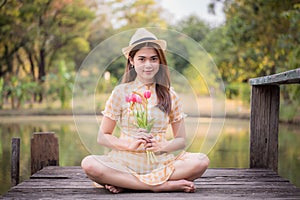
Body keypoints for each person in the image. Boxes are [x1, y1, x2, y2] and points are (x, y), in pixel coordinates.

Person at [81, 28, 209, 193]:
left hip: (160, 162)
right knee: (89, 164)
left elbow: (181, 140)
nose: (148, 65)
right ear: (132, 60)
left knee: (201, 161)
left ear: (160, 61)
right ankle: (160, 186)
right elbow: (103, 136)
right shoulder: (120, 92)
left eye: (153, 59)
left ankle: (128, 184)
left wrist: (162, 146)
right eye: (142, 59)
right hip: (124, 162)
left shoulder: (170, 95)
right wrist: (130, 145)